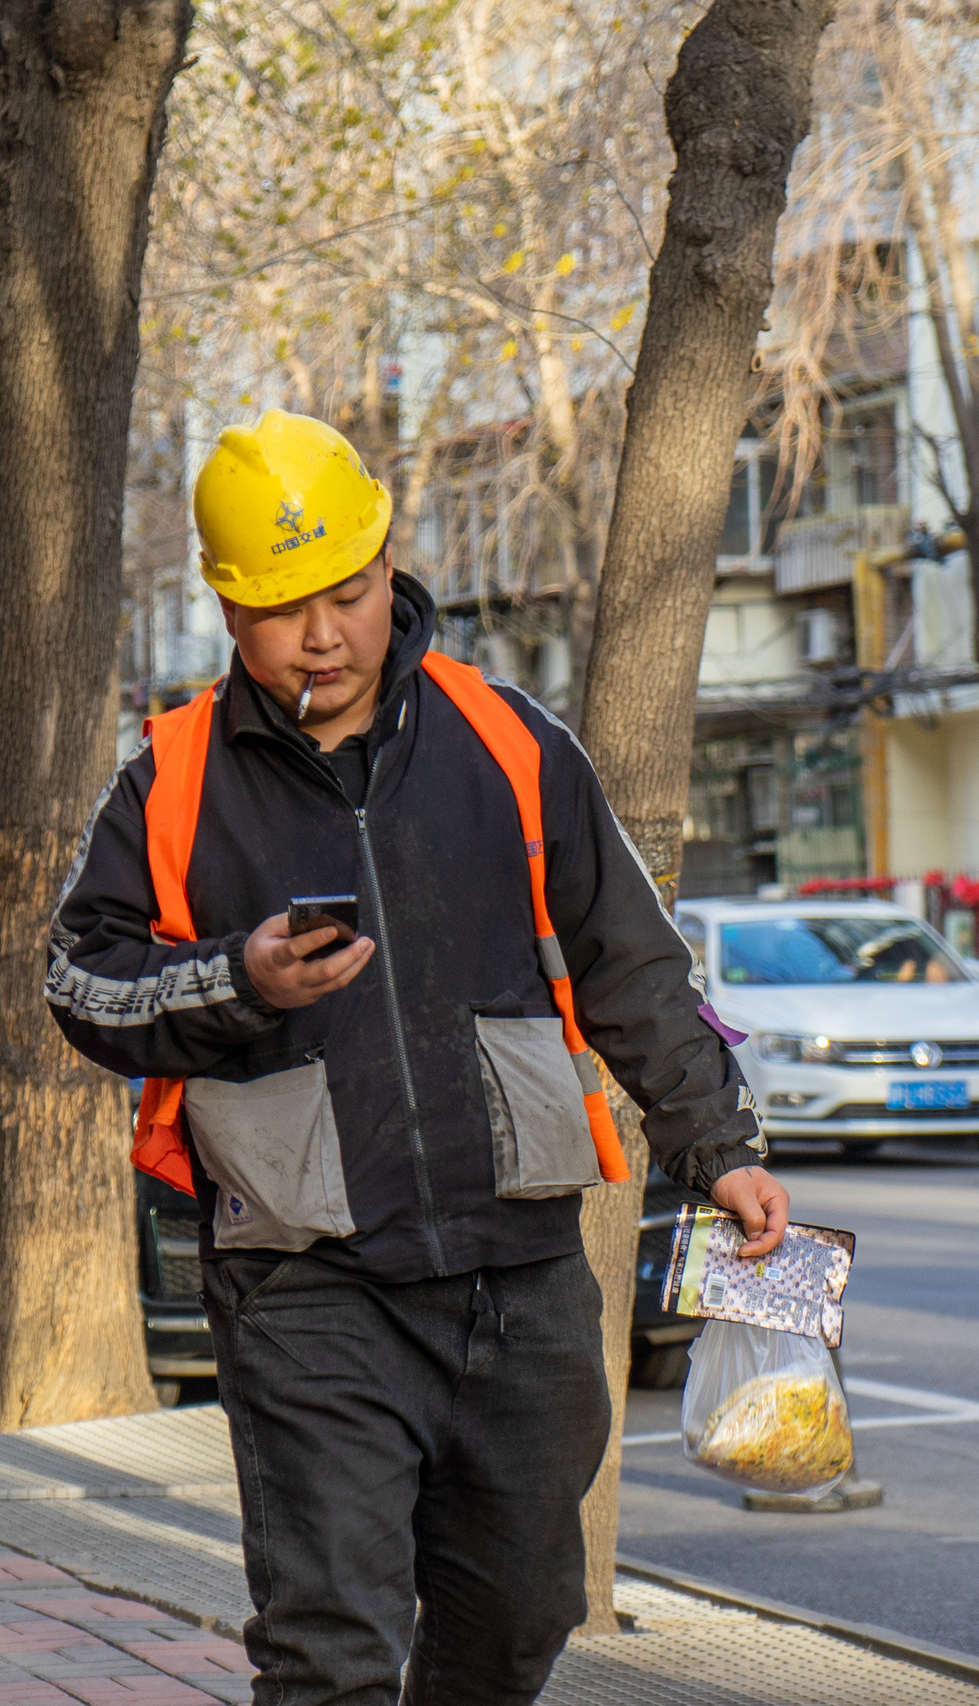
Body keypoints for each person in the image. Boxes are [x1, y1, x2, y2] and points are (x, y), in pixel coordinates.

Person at [45, 410, 791, 1706]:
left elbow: (631, 959)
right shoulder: (165, 784)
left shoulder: (511, 743)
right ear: (228, 609)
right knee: (329, 1644)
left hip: (522, 1275)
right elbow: (80, 981)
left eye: (348, 592)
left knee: (516, 1620)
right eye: (285, 609)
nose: (323, 633)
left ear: (391, 566)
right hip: (306, 1288)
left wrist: (719, 1147)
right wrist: (238, 977)